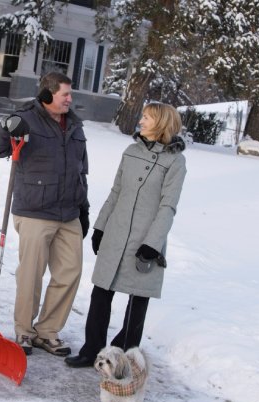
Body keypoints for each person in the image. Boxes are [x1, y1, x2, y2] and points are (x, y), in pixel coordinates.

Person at [65, 102, 186, 368]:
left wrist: (152, 244)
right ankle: (91, 350)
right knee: (101, 293)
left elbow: (168, 206)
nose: (141, 121)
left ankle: (123, 357)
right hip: (116, 232)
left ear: (161, 123)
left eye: (147, 117)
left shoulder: (175, 161)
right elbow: (116, 191)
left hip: (145, 239)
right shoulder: (131, 152)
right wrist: (100, 226)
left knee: (138, 299)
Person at [0, 72, 90, 357]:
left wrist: (84, 208)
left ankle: (47, 331)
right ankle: (24, 331)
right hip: (35, 211)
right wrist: (6, 127)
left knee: (70, 273)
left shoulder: (75, 126)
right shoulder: (25, 119)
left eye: (70, 94)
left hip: (69, 213)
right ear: (46, 95)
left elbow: (81, 171)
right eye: (65, 94)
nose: (70, 99)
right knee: (31, 274)